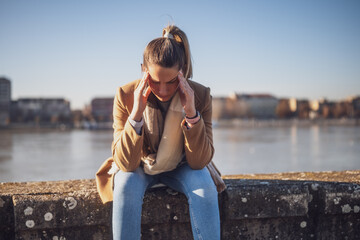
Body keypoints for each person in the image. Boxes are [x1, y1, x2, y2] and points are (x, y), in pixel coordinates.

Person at [95, 24, 225, 240]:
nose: (163, 90)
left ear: (181, 72)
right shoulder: (125, 95)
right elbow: (126, 163)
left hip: (183, 166)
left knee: (205, 187)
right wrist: (136, 113)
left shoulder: (200, 95)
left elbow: (199, 162)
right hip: (139, 165)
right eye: (155, 82)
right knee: (125, 184)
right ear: (143, 70)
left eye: (172, 82)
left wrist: (191, 113)